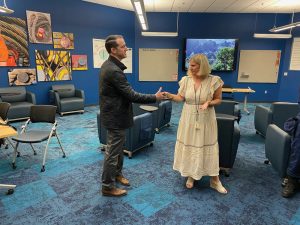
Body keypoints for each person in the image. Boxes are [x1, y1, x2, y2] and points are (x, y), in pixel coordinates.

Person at [99, 35, 166, 197]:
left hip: (116, 115)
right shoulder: (114, 71)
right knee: (113, 152)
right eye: (123, 46)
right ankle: (107, 186)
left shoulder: (110, 65)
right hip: (115, 117)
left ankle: (117, 174)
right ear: (113, 50)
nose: (126, 48)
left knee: (118, 149)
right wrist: (154, 97)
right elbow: (132, 95)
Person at [165, 54, 227, 194]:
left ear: (202, 66)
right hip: (188, 118)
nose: (190, 68)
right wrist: (169, 96)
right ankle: (191, 175)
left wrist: (209, 102)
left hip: (206, 119)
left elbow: (218, 100)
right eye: (190, 65)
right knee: (191, 145)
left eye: (193, 65)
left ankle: (215, 180)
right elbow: (180, 98)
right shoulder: (185, 80)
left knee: (207, 146)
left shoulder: (214, 80)